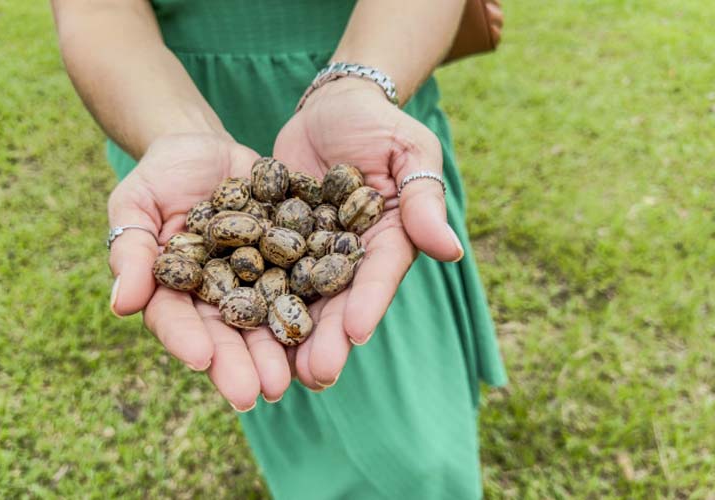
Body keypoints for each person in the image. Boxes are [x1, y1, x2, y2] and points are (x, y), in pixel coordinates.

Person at [52, 0, 506, 497]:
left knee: (420, 452)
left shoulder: (340, 215)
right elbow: (96, 12)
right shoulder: (224, 232)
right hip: (170, 118)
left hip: (366, 112)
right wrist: (175, 132)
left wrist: (357, 82)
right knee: (294, 401)